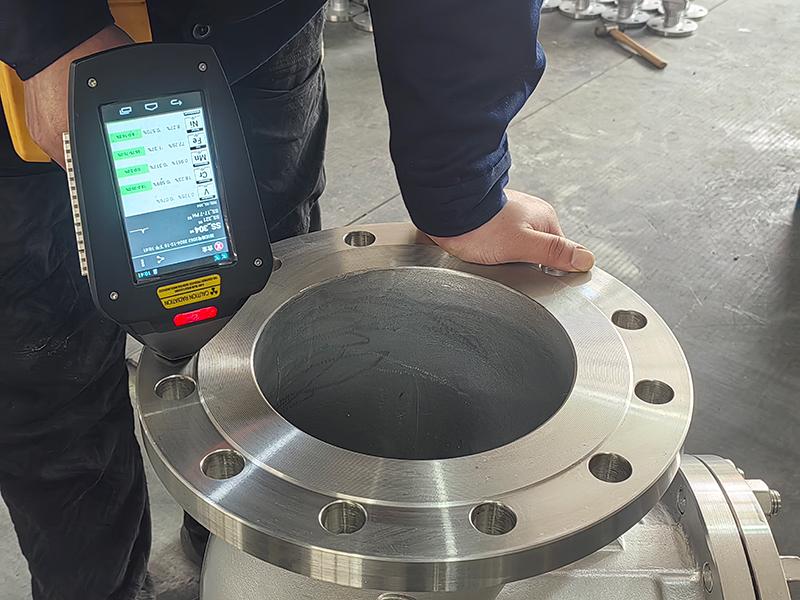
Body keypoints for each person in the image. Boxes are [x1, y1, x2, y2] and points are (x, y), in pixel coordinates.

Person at [0, 1, 595, 599]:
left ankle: (229, 560)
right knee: (50, 392)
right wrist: (49, 35)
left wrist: (462, 190)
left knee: (264, 343)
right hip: (32, 67)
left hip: (256, 33)